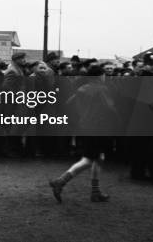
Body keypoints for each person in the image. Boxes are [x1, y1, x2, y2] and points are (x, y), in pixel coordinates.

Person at [49, 65, 114, 203]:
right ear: (100, 76)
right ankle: (60, 181)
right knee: (89, 159)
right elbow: (110, 108)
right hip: (99, 128)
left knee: (98, 157)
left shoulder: (81, 89)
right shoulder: (102, 89)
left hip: (85, 127)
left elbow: (69, 103)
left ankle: (95, 191)